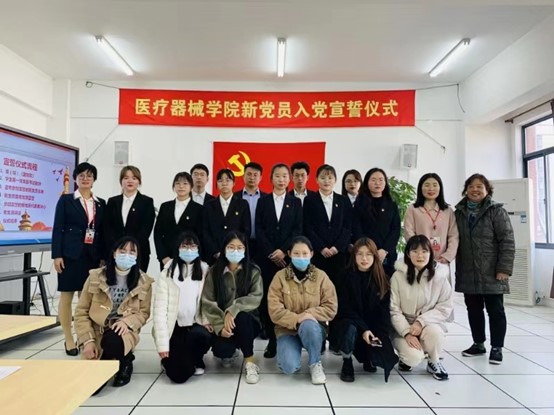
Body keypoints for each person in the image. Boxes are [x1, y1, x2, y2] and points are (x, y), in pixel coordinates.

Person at [75, 236, 153, 393]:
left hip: (124, 330)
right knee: (92, 388)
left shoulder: (143, 282)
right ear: (114, 253)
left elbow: (143, 313)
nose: (127, 255)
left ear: (137, 256)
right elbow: (81, 312)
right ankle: (112, 358)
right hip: (97, 330)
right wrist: (87, 341)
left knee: (113, 341)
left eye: (132, 252)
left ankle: (124, 361)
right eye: (122, 251)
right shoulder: (95, 277)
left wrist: (126, 322)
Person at [455, 173, 515, 365]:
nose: (475, 190)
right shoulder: (459, 212)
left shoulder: (496, 211)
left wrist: (504, 268)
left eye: (479, 186)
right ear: (466, 190)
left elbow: (507, 241)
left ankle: (497, 347)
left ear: (487, 190)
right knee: (473, 309)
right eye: (471, 186)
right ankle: (478, 343)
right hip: (468, 270)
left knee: (495, 310)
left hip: (492, 271)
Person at [52, 162, 106, 356]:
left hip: (92, 257)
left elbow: (102, 232)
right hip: (70, 255)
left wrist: (103, 257)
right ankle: (68, 338)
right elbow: (58, 228)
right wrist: (57, 255)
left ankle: (86, 337)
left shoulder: (100, 203)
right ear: (75, 178)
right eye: (81, 175)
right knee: (67, 297)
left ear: (94, 180)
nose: (85, 179)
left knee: (87, 299)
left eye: (89, 176)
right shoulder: (66, 200)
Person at [268, 236, 337, 385]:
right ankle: (294, 350)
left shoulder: (321, 277)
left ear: (311, 254)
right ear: (289, 254)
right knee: (288, 367)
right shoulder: (279, 277)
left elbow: (331, 307)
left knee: (308, 325)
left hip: (313, 328)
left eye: (305, 253)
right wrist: (297, 318)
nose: (301, 257)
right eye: (296, 253)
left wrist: (307, 315)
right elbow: (274, 310)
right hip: (287, 329)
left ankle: (315, 363)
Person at [201, 232, 263, 384]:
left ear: (245, 250)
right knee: (222, 351)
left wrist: (233, 310)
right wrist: (220, 326)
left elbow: (256, 297)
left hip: (248, 321)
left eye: (240, 248)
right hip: (223, 322)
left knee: (241, 317)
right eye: (231, 247)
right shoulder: (214, 271)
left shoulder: (253, 271)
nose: (235, 251)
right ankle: (233, 348)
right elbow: (208, 301)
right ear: (224, 249)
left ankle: (250, 361)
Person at [334, 237, 398, 383]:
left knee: (383, 352)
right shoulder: (344, 276)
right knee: (348, 328)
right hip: (350, 322)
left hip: (372, 324)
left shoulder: (383, 278)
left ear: (375, 256)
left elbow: (383, 312)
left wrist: (379, 334)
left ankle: (369, 358)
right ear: (354, 255)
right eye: (360, 254)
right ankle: (347, 360)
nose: (364, 258)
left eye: (369, 254)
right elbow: (344, 309)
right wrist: (363, 329)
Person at [255, 163, 303, 358]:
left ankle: (288, 338)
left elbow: (297, 230)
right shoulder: (263, 201)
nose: (281, 179)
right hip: (267, 260)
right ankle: (272, 340)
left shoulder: (295, 202)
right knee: (269, 298)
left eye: (284, 176)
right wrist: (271, 252)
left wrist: (283, 251)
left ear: (289, 179)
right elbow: (259, 229)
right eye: (277, 176)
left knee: (288, 298)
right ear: (271, 178)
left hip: (288, 259)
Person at [390, 235, 453, 381]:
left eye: (424, 251)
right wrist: (407, 332)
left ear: (430, 253)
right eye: (415, 251)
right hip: (403, 326)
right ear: (408, 253)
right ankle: (406, 359)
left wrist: (421, 321)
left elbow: (444, 307)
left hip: (428, 324)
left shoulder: (440, 276)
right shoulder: (398, 277)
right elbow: (393, 309)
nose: (420, 255)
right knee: (413, 358)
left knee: (435, 334)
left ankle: (433, 360)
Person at [152, 231, 212, 383]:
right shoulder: (167, 272)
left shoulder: (205, 270)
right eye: (184, 246)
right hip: (174, 327)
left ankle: (196, 358)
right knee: (179, 376)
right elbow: (159, 312)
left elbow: (208, 300)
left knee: (203, 336)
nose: (189, 250)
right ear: (177, 248)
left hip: (195, 325)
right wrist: (163, 345)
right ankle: (169, 361)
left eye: (193, 246)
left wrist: (206, 320)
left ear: (198, 248)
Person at [303, 164, 352, 285]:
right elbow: (308, 227)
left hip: (339, 254)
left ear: (335, 180)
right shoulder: (309, 200)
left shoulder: (343, 200)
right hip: (318, 254)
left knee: (339, 286)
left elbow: (347, 227)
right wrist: (321, 248)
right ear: (316, 180)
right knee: (317, 285)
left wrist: (337, 247)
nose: (326, 181)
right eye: (323, 178)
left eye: (330, 178)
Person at [404, 173, 459, 276]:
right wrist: (419, 254)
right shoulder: (413, 209)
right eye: (427, 185)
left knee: (441, 286)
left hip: (442, 262)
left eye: (435, 185)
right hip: (420, 260)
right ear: (420, 188)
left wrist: (447, 257)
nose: (431, 188)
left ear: (440, 188)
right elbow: (408, 232)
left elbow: (454, 236)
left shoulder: (448, 211)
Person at [104, 165, 155, 272]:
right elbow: (107, 227)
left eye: (134, 178)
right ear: (121, 181)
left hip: (138, 251)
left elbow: (146, 229)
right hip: (115, 252)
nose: (130, 181)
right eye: (126, 178)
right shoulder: (113, 201)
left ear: (139, 182)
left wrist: (130, 247)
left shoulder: (147, 202)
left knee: (136, 281)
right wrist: (117, 248)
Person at [353, 168, 401, 277]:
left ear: (385, 183)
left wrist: (385, 250)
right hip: (366, 254)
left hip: (387, 254)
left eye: (380, 180)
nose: (377, 183)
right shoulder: (359, 203)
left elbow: (395, 229)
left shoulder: (391, 205)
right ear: (367, 182)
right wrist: (369, 250)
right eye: (373, 180)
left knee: (386, 282)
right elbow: (356, 228)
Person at [154, 172, 203, 270]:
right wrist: (163, 256)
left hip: (189, 257)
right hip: (167, 258)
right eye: (177, 183)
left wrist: (194, 256)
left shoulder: (199, 209)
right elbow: (157, 233)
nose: (181, 186)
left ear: (191, 187)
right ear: (174, 186)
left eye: (185, 183)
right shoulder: (165, 206)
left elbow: (201, 236)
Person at [203, 169, 251, 264]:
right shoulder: (209, 205)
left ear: (234, 183)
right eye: (220, 181)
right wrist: (215, 252)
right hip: (214, 256)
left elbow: (246, 230)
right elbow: (205, 232)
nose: (224, 183)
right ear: (217, 184)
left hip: (236, 255)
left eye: (228, 180)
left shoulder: (242, 204)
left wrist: (235, 250)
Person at [235, 161, 266, 259]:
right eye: (249, 174)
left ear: (261, 177)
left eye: (255, 175)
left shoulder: (267, 198)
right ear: (243, 176)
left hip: (262, 244)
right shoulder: (235, 197)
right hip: (240, 243)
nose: (252, 177)